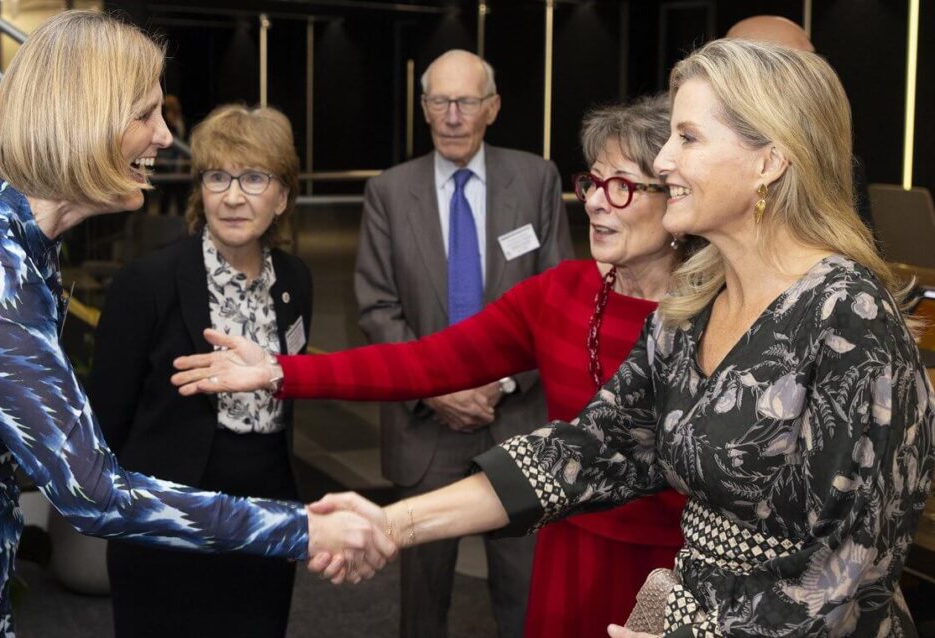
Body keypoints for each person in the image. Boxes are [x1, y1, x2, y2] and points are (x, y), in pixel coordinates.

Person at [308, 39, 935, 636]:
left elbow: (853, 567)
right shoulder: (691, 306)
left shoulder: (848, 317)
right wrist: (392, 522)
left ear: (768, 162)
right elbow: (591, 449)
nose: (662, 162)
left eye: (688, 138)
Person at [0, 12, 393, 636]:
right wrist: (302, 528)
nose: (167, 138)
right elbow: (92, 492)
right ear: (83, 120)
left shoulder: (17, 247)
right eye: (146, 115)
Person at [174, 96, 688, 635]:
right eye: (593, 183)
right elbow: (423, 362)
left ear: (675, 197)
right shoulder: (563, 293)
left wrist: (391, 524)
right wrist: (281, 371)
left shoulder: (717, 317)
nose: (597, 204)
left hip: (672, 569)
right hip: (568, 552)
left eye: (622, 187)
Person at [351, 49, 572, 637]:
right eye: (439, 102)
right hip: (426, 427)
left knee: (526, 598)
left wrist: (498, 382)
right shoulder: (389, 193)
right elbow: (376, 306)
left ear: (492, 108)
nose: (452, 116)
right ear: (423, 109)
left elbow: (558, 301)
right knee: (421, 601)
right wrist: (439, 385)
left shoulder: (536, 180)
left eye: (466, 102)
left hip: (517, 419)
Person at [89, 104, 311, 637]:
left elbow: (288, 399)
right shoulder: (147, 282)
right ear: (200, 191)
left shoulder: (296, 282)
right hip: (169, 520)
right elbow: (106, 421)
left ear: (282, 197)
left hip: (265, 512)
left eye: (254, 178)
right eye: (218, 177)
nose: (233, 196)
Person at [725, 14, 875, 231]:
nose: (814, 78)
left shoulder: (837, 162)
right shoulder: (688, 160)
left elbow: (859, 249)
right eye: (797, 65)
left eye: (814, 64)